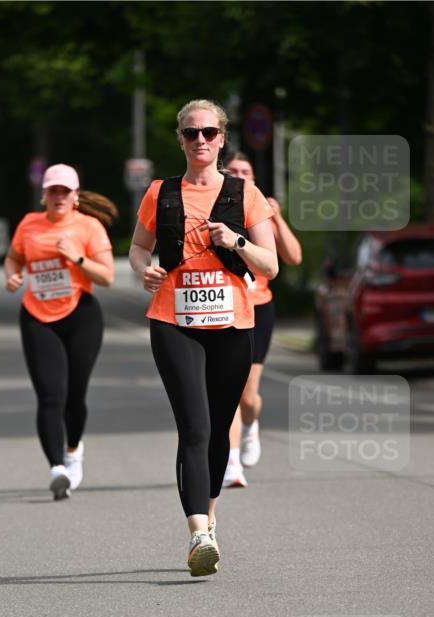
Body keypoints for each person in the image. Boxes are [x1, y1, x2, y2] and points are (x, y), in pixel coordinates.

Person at [129, 100, 277, 576]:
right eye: (191, 133)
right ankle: (198, 532)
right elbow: (137, 247)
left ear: (221, 139)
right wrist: (143, 271)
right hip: (174, 320)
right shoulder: (160, 192)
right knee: (194, 426)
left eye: (208, 133)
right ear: (180, 139)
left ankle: (208, 518)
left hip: (233, 324)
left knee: (216, 429)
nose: (200, 141)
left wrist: (233, 241)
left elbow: (270, 265)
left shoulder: (244, 193)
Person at [4, 164, 116, 500]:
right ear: (44, 194)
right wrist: (12, 275)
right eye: (52, 190)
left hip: (81, 315)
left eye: (64, 191)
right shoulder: (29, 224)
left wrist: (78, 259)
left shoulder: (89, 227)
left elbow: (107, 277)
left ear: (75, 195)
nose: (58, 197)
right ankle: (57, 468)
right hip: (37, 315)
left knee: (74, 395)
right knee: (50, 395)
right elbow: (13, 258)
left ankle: (73, 449)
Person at [223, 152, 302, 487]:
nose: (241, 175)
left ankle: (252, 424)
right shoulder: (219, 210)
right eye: (234, 171)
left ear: (254, 177)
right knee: (228, 390)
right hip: (225, 307)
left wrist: (278, 218)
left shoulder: (261, 213)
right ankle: (231, 465)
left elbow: (294, 257)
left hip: (258, 309)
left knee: (247, 396)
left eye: (246, 171)